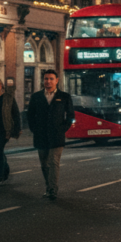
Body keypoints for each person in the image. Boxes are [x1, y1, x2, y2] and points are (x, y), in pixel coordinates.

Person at [27, 69, 75, 201]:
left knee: (53, 162)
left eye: (51, 79)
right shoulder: (36, 97)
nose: (48, 81)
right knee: (44, 164)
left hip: (56, 136)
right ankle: (48, 186)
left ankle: (53, 189)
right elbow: (30, 115)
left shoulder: (64, 97)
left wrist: (63, 129)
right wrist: (34, 129)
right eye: (46, 79)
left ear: (57, 80)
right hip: (41, 135)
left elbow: (71, 116)